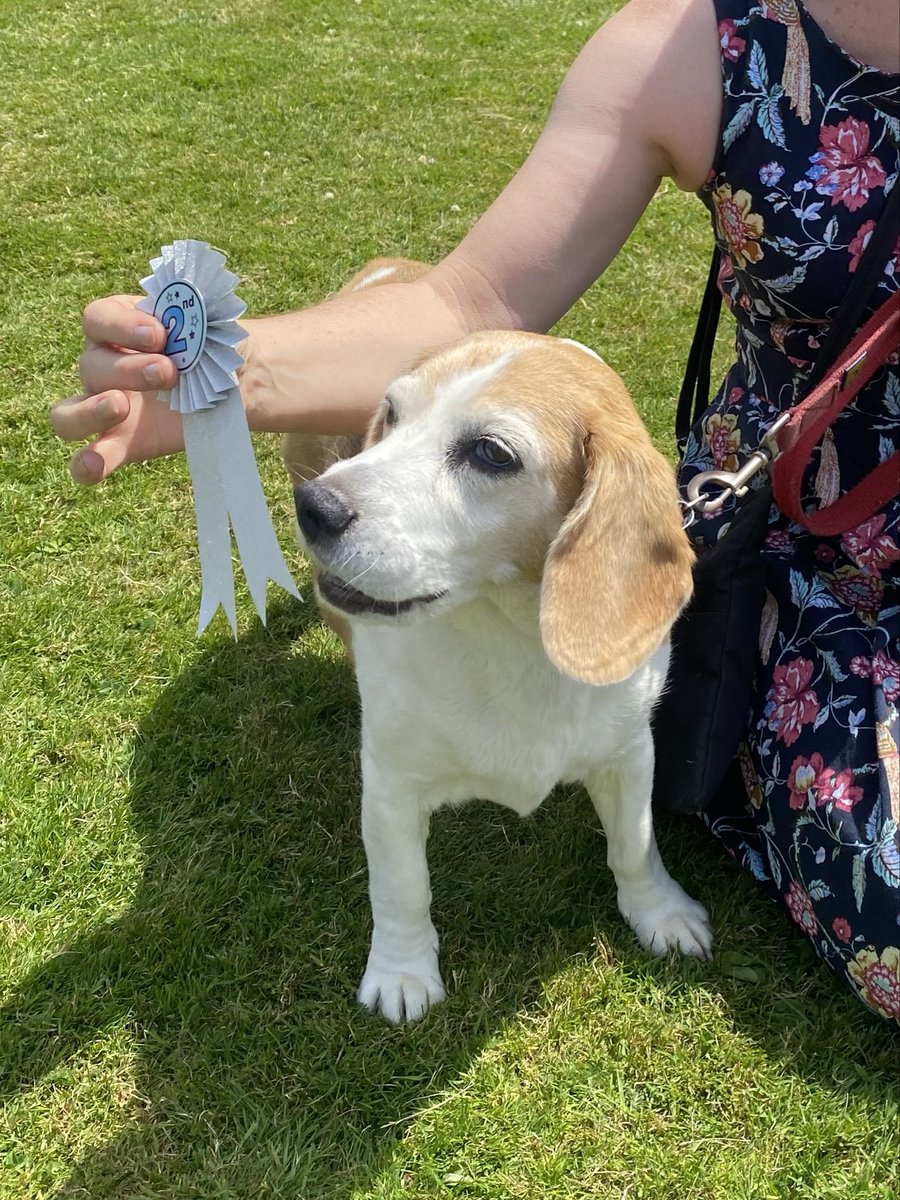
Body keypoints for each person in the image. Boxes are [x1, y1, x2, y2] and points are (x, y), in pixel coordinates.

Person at [50, 0, 899, 1019]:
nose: (337, 495)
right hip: (807, 537)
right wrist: (223, 377)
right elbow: (466, 305)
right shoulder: (695, 43)